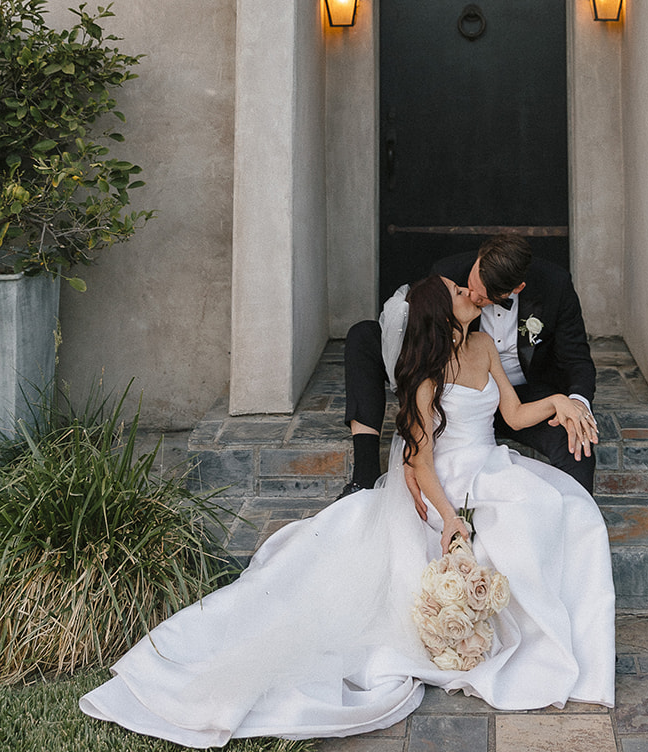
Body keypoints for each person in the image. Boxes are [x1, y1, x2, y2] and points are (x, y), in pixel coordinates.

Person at [79, 275, 615, 745]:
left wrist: (562, 403)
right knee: (485, 537)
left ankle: (570, 650)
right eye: (456, 291)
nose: (466, 291)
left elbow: (516, 415)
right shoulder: (426, 377)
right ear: (439, 311)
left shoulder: (483, 348)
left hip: (489, 465)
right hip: (444, 481)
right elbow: (420, 461)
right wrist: (450, 519)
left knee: (567, 510)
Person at [343, 233, 599, 496]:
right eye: (469, 286)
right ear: (479, 257)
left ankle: (575, 524)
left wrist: (575, 404)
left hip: (523, 398)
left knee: (578, 442)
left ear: (517, 288)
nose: (472, 294)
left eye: (483, 296)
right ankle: (363, 479)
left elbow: (577, 359)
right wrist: (414, 445)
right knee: (363, 336)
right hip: (457, 397)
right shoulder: (449, 274)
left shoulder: (554, 284)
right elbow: (419, 358)